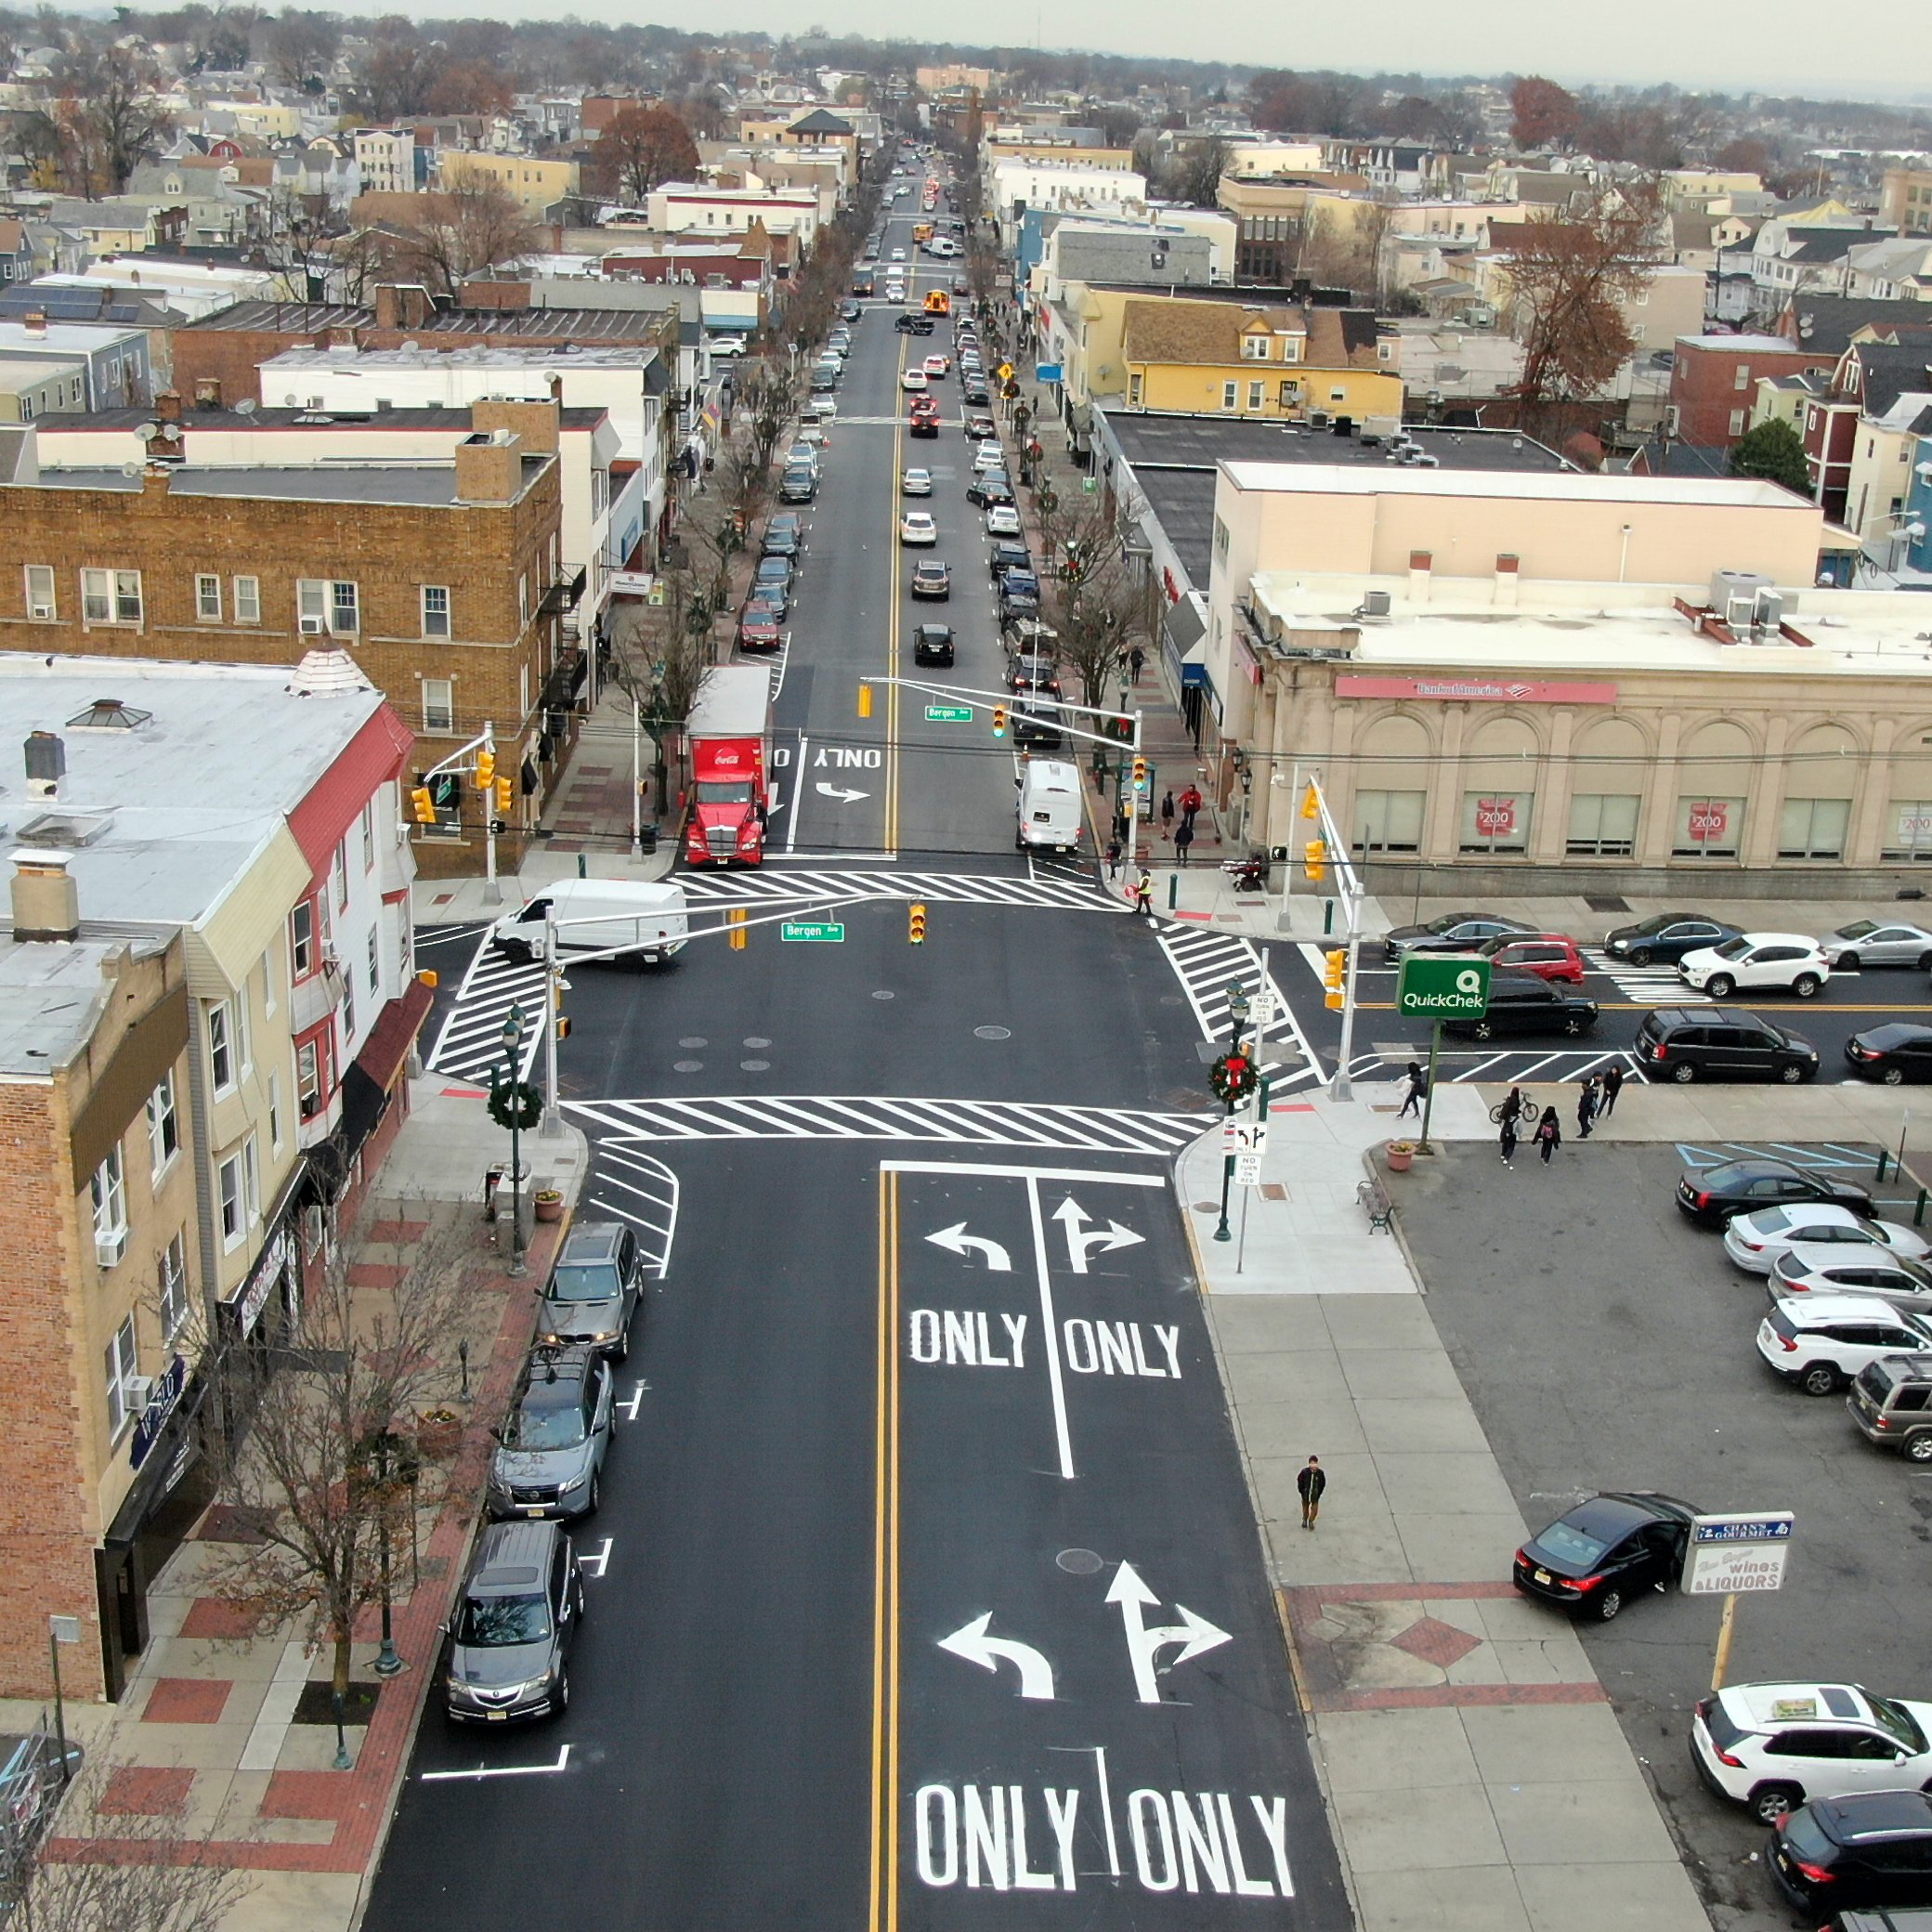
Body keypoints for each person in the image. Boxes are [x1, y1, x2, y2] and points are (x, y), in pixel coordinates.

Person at [1296, 1456, 1326, 1530]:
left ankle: (1311, 1521)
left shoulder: (1320, 1473)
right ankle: (1305, 1520)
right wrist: (1303, 1492)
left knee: (1315, 1510)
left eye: (1315, 1463)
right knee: (1305, 1509)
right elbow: (1300, 1482)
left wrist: (1318, 1493)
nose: (1314, 1466)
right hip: (1306, 1496)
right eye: (1312, 1463)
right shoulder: (1304, 1472)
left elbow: (1322, 1484)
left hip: (1314, 1496)